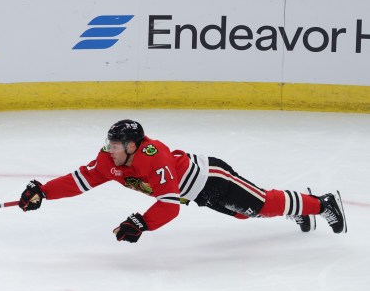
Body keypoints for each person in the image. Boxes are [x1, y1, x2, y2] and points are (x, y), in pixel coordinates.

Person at [19, 119, 347, 243]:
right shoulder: (109, 160)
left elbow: (170, 205)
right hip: (196, 193)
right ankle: (299, 208)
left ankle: (321, 204)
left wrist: (142, 224)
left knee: (259, 204)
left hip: (211, 179)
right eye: (110, 143)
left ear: (133, 146)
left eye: (116, 145)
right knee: (245, 213)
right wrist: (44, 192)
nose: (110, 149)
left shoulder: (154, 156)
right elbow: (81, 179)